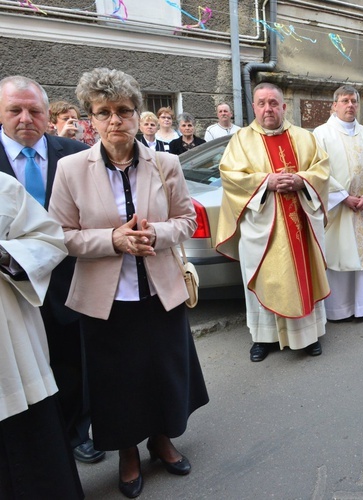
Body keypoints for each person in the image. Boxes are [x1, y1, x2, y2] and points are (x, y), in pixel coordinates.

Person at [49, 67, 209, 498]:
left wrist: (156, 234)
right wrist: (113, 239)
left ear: (138, 115)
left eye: (123, 111)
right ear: (91, 120)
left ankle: (161, 441)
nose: (115, 120)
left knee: (162, 371)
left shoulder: (166, 163)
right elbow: (60, 235)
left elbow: (187, 220)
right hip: (106, 299)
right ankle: (128, 453)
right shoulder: (70, 169)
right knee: (117, 382)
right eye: (104, 113)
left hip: (160, 291)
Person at [0, 76, 101, 464]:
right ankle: (35, 443)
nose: (26, 118)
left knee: (73, 361)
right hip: (10, 287)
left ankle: (77, 433)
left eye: (35, 110)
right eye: (15, 110)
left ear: (47, 115)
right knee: (22, 366)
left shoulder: (76, 152)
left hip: (68, 277)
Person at [216, 82, 330, 362]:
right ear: (254, 107)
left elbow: (323, 170)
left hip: (299, 225)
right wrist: (266, 181)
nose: (268, 108)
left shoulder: (305, 137)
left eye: (273, 103)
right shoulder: (241, 140)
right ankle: (263, 338)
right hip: (261, 228)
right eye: (262, 103)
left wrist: (301, 179)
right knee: (264, 280)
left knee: (303, 277)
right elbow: (230, 176)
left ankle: (309, 335)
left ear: (283, 106)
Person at [0, 172, 83, 500]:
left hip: (15, 349)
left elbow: (49, 238)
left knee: (33, 453)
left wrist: (5, 254)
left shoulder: (4, 187)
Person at [313, 85, 363, 321]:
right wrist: (343, 196)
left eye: (354, 101)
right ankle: (339, 310)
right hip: (339, 209)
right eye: (344, 100)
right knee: (340, 257)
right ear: (334, 105)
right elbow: (317, 169)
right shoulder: (321, 134)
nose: (350, 105)